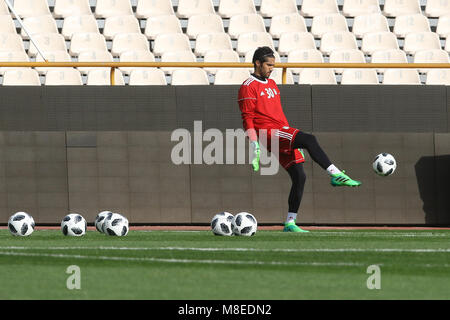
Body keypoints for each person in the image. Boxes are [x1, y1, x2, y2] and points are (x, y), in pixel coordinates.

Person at [237, 46, 361, 233]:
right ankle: (336, 175)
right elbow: (247, 118)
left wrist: (292, 139)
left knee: (300, 177)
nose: (272, 69)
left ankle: (290, 223)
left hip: (282, 131)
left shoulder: (271, 84)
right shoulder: (248, 86)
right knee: (310, 140)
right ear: (257, 63)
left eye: (273, 65)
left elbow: (278, 114)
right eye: (269, 65)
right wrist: (254, 144)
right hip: (269, 133)